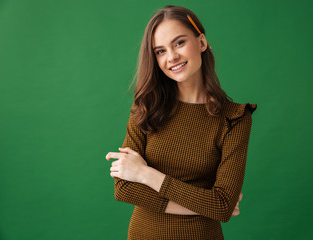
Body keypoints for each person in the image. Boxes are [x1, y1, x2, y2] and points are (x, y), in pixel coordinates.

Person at [105, 5, 257, 239]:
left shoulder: (234, 118)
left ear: (202, 43)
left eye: (179, 43)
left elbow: (222, 206)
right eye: (160, 51)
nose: (172, 56)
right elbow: (124, 188)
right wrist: (204, 204)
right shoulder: (146, 107)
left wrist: (146, 175)